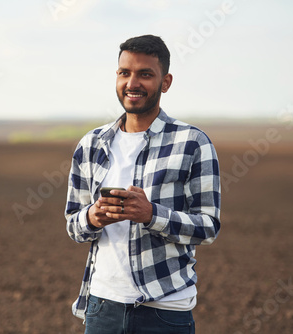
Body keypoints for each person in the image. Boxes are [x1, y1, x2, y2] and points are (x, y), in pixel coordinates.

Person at [64, 34, 221, 333]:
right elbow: (73, 225)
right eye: (125, 73)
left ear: (166, 82)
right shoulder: (91, 144)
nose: (132, 83)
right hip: (101, 307)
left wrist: (151, 214)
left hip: (165, 310)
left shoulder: (193, 143)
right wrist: (92, 217)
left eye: (145, 74)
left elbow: (208, 227)